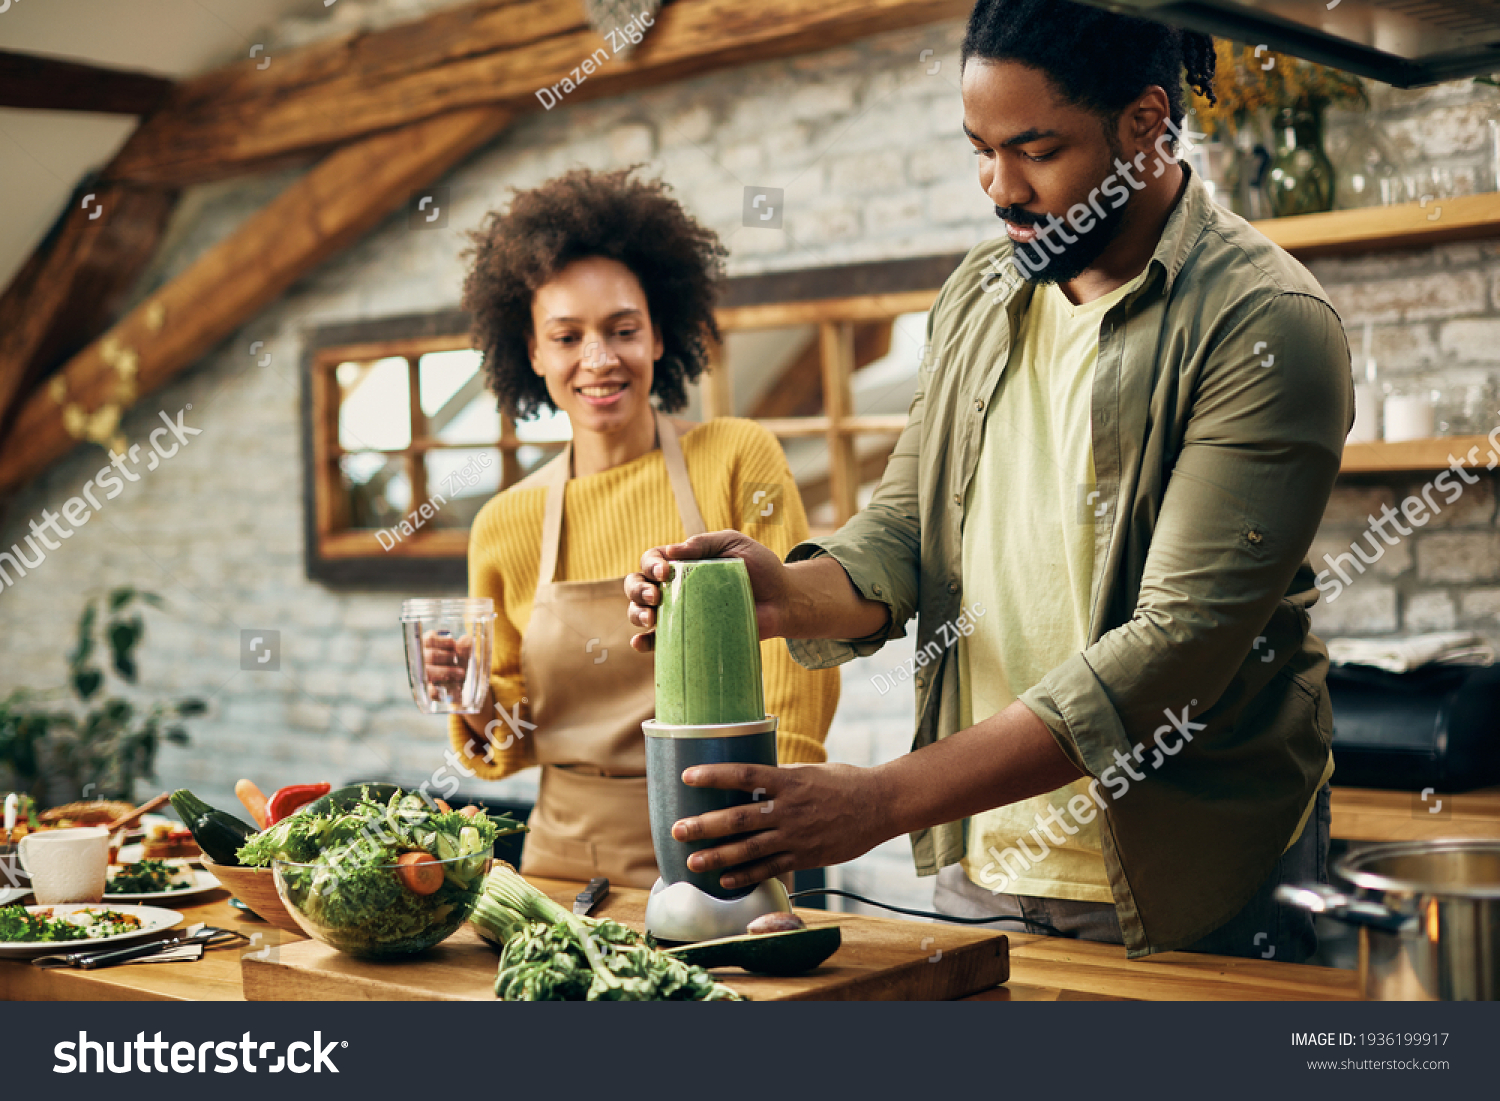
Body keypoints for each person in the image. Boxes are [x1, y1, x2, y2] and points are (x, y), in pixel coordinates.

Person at [626, 0, 1351, 961]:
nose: (998, 187)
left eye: (1036, 150)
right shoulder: (982, 288)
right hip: (989, 859)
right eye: (979, 148)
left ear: (1144, 123)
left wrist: (879, 800)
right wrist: (784, 594)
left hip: (1188, 871)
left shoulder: (1266, 322)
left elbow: (1175, 648)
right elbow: (907, 532)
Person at [427, 167, 839, 889]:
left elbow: (799, 648)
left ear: (658, 336)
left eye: (622, 330)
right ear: (532, 353)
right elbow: (510, 735)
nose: (598, 359)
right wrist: (473, 693)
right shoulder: (504, 522)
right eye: (566, 336)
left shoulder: (738, 458)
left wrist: (775, 807)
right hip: (560, 866)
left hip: (724, 842)